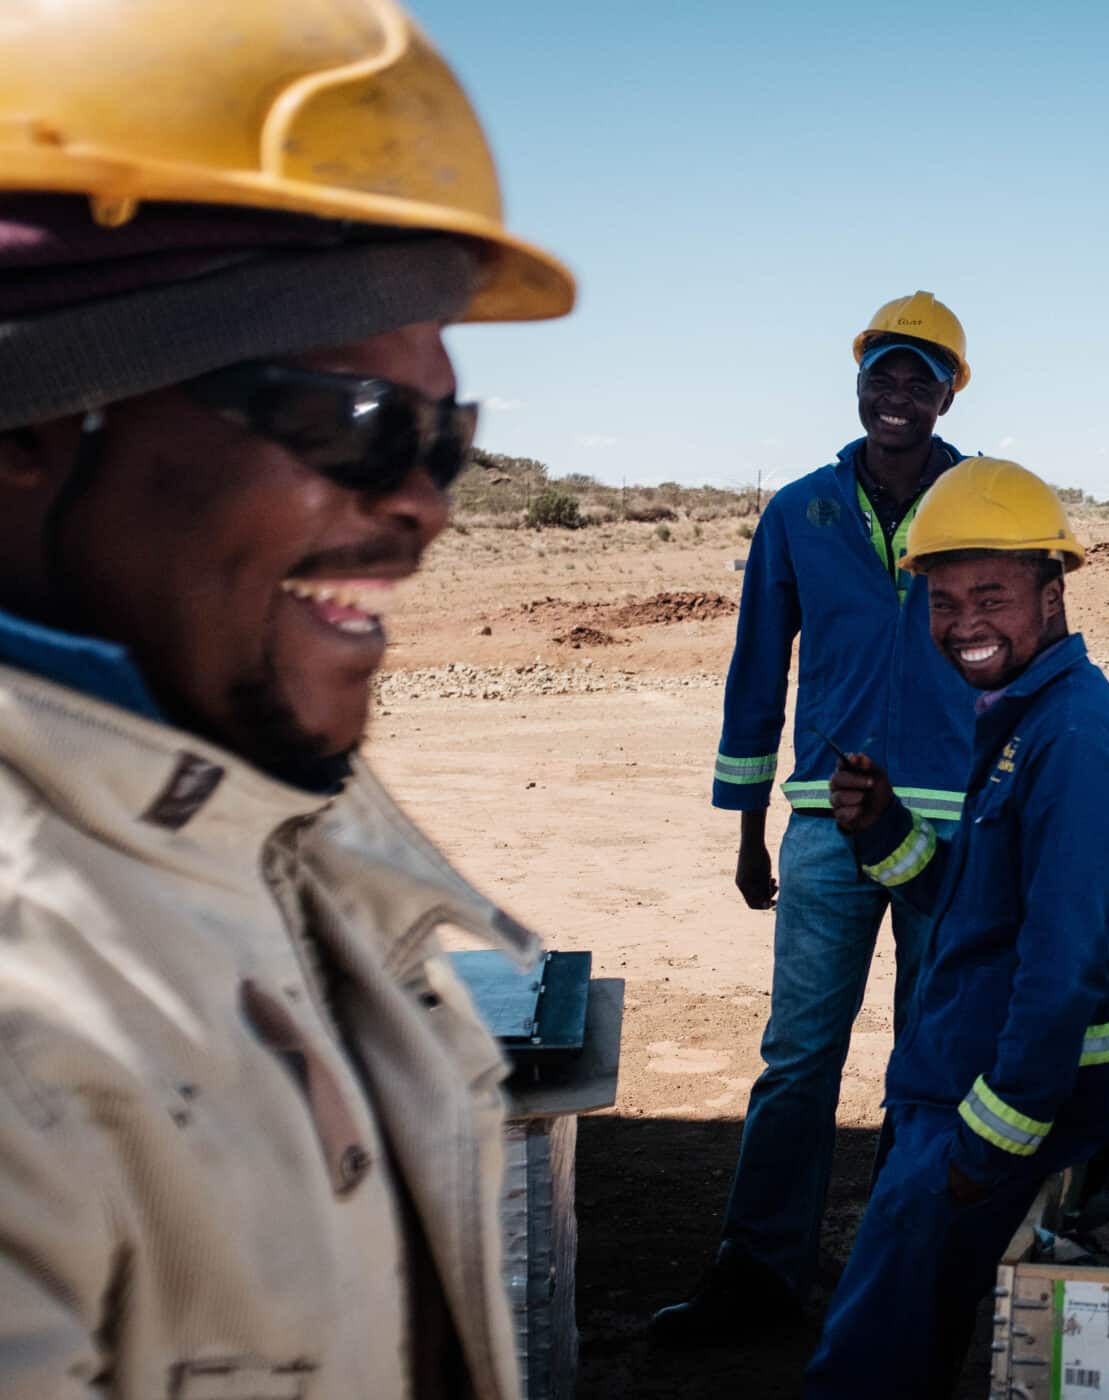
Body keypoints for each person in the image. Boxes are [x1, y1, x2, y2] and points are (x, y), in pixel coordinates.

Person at [0, 2, 573, 1396]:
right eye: (356, 422)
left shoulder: (241, 833)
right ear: (30, 419)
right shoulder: (28, 1021)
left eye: (448, 437)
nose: (426, 503)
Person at [652, 292, 985, 1343]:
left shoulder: (982, 508)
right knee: (799, 1054)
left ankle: (903, 1269)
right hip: (828, 824)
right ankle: (757, 1272)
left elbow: (1019, 660)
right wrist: (748, 826)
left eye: (919, 377)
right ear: (859, 384)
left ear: (947, 392)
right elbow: (758, 668)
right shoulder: (801, 510)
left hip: (955, 831)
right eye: (882, 372)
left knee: (931, 1060)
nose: (897, 393)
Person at [802, 458, 1109, 1398]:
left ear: (1052, 594)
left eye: (992, 595)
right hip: (961, 1091)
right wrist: (883, 826)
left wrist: (981, 1151)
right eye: (943, 599)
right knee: (906, 1346)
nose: (963, 621)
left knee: (869, 1365)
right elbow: (978, 909)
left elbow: (1061, 973)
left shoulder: (1075, 742)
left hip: (989, 1112)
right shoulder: (1021, 721)